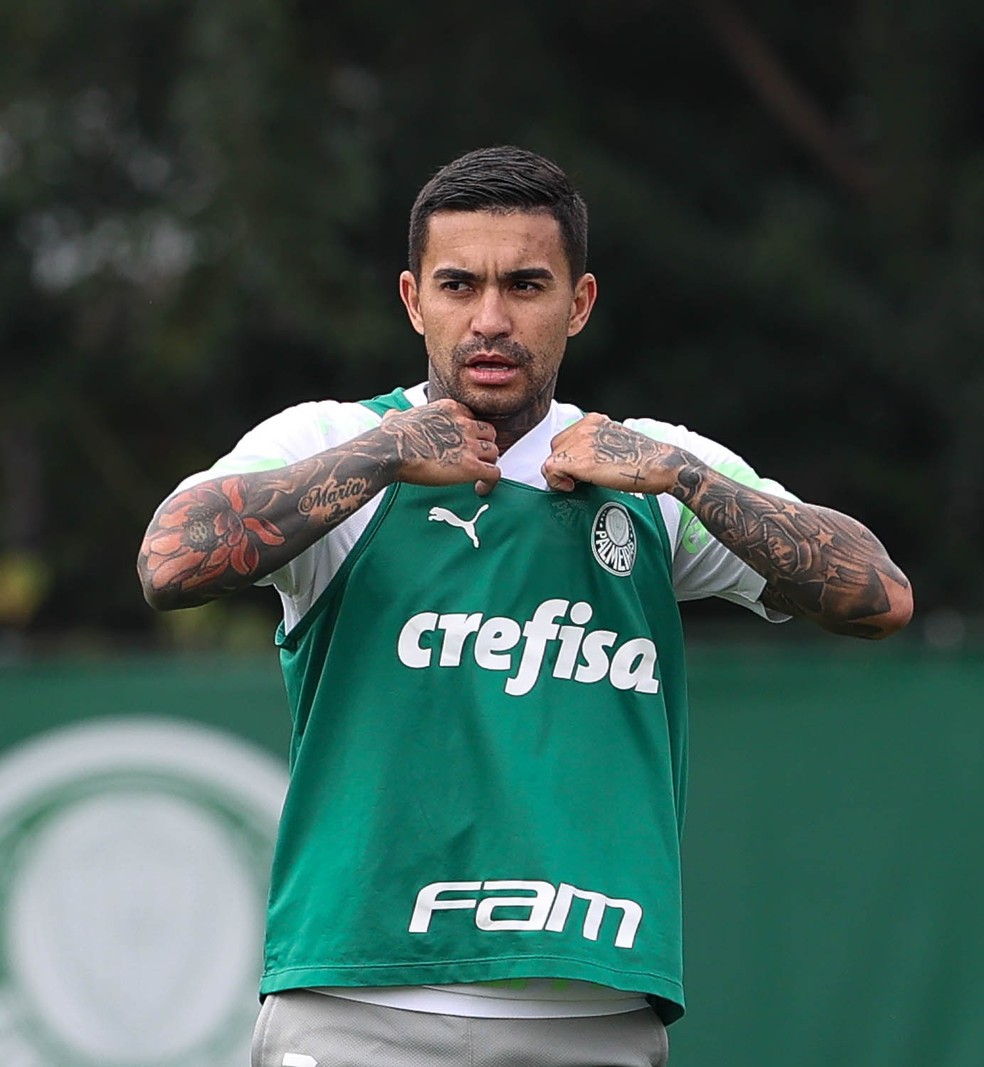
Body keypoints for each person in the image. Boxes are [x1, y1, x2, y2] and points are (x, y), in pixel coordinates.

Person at [137, 145, 913, 1067]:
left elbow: (880, 596)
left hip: (592, 1010)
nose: (491, 319)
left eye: (527, 285)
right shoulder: (335, 440)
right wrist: (383, 456)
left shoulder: (646, 469)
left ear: (578, 303)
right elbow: (169, 559)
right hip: (359, 997)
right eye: (459, 284)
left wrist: (688, 478)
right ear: (413, 299)